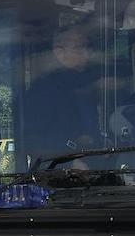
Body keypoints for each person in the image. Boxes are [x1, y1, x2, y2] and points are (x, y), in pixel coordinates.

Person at [26, 24, 103, 160]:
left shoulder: (88, 85)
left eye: (87, 47)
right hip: (58, 175)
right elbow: (33, 141)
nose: (86, 53)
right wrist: (68, 163)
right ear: (59, 52)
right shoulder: (42, 91)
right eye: (78, 47)